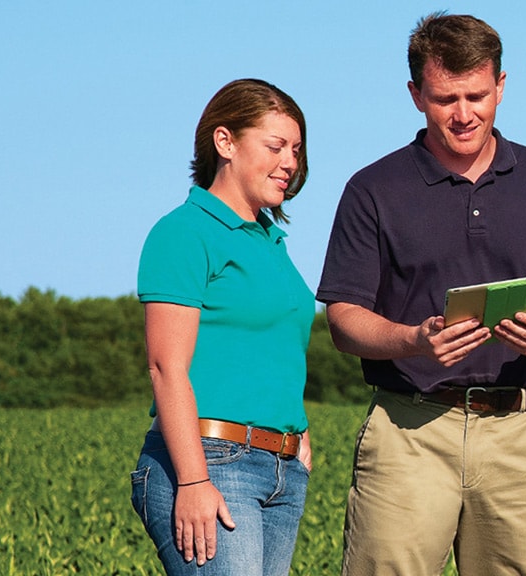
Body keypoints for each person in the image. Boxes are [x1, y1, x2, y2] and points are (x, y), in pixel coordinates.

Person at [316, 12, 526, 576]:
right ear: (415, 95)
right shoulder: (373, 189)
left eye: (477, 94)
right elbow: (343, 317)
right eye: (446, 98)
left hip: (517, 432)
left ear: (501, 86)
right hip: (408, 433)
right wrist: (412, 340)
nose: (464, 113)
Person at [130, 78, 314, 575]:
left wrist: (299, 436)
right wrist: (192, 480)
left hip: (281, 470)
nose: (290, 162)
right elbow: (166, 366)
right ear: (225, 142)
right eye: (275, 146)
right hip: (211, 461)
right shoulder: (184, 232)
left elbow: (274, 347)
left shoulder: (271, 240)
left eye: (295, 149)